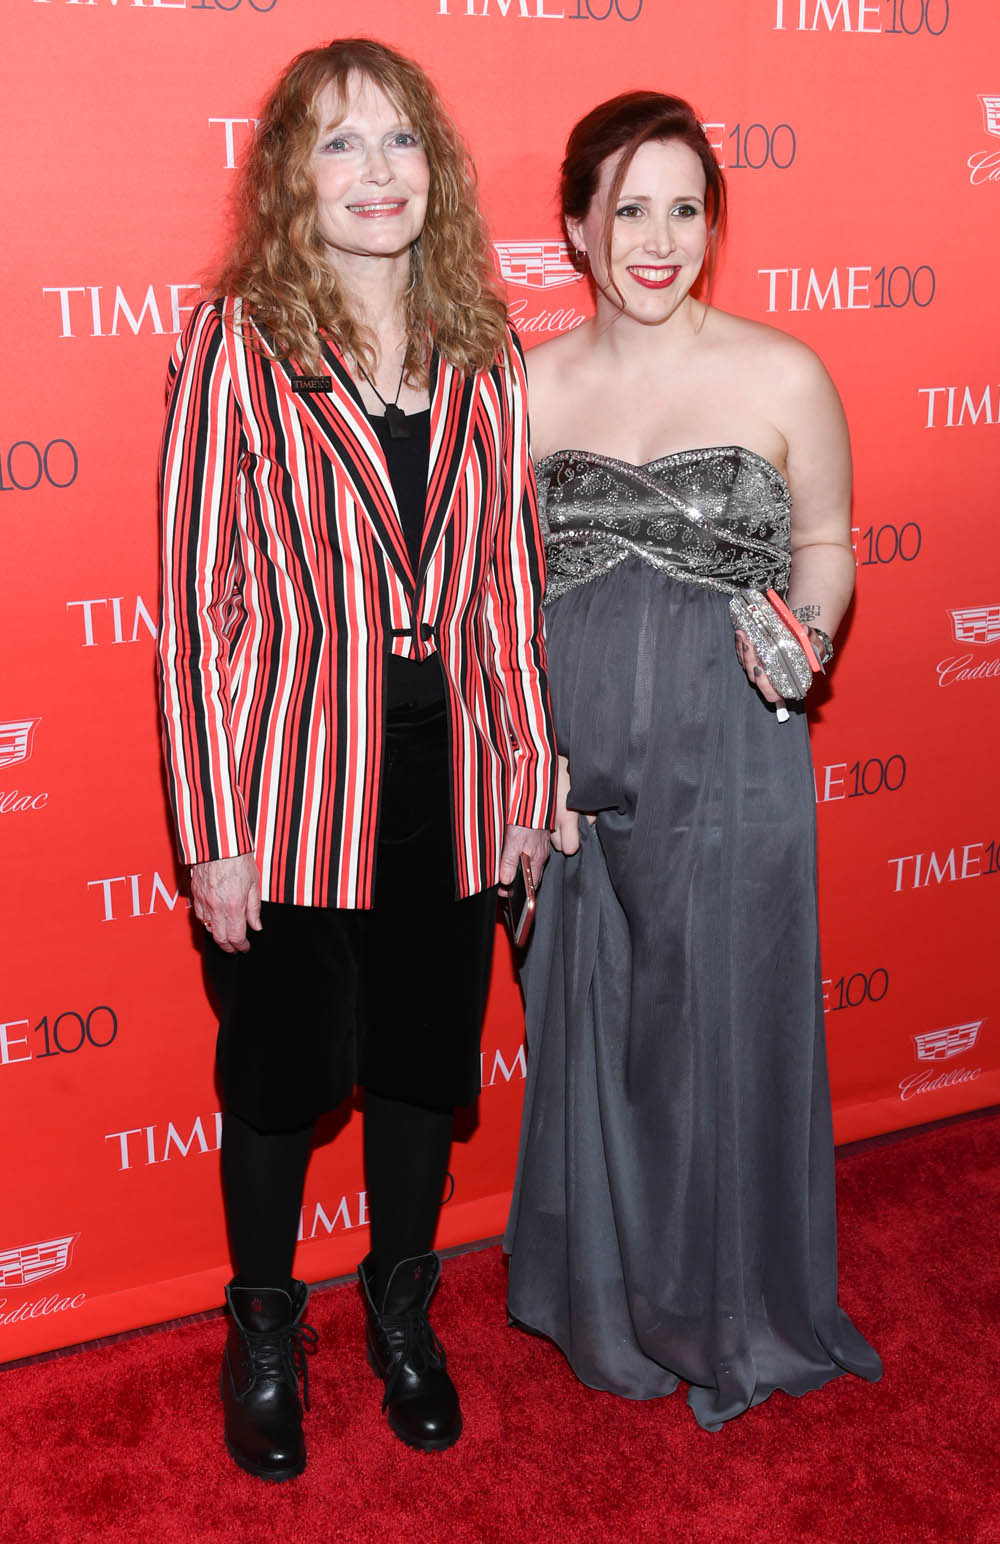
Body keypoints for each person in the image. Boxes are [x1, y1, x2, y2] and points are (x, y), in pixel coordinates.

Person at [157, 38, 555, 1479]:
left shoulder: (486, 343)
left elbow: (507, 583)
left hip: (447, 785)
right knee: (275, 1077)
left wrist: (521, 783)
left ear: (431, 168)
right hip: (289, 790)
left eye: (397, 142)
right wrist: (211, 827)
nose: (375, 172)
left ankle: (402, 1312)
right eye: (339, 145)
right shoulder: (237, 343)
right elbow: (201, 605)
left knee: (415, 1070)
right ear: (290, 178)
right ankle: (265, 1328)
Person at [504, 91, 882, 1431]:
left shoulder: (784, 374)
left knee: (719, 1029)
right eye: (627, 210)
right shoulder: (529, 384)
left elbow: (827, 542)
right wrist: (520, 761)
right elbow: (501, 601)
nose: (656, 240)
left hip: (734, 761)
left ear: (712, 225)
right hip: (572, 776)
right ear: (575, 228)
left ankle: (731, 1305)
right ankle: (607, 1297)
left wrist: (809, 634)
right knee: (599, 1036)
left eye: (684, 208)